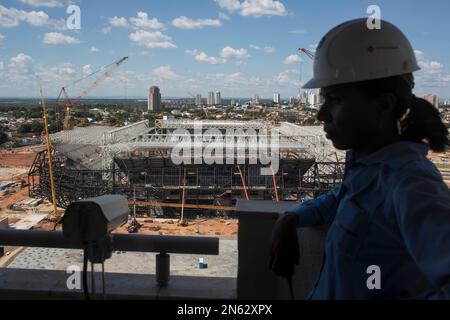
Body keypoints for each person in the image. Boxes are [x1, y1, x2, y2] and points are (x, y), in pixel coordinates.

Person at [270, 18, 450, 300]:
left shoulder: (411, 184)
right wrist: (291, 217)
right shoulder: (368, 167)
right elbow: (342, 199)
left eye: (336, 100)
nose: (321, 115)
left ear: (383, 106)